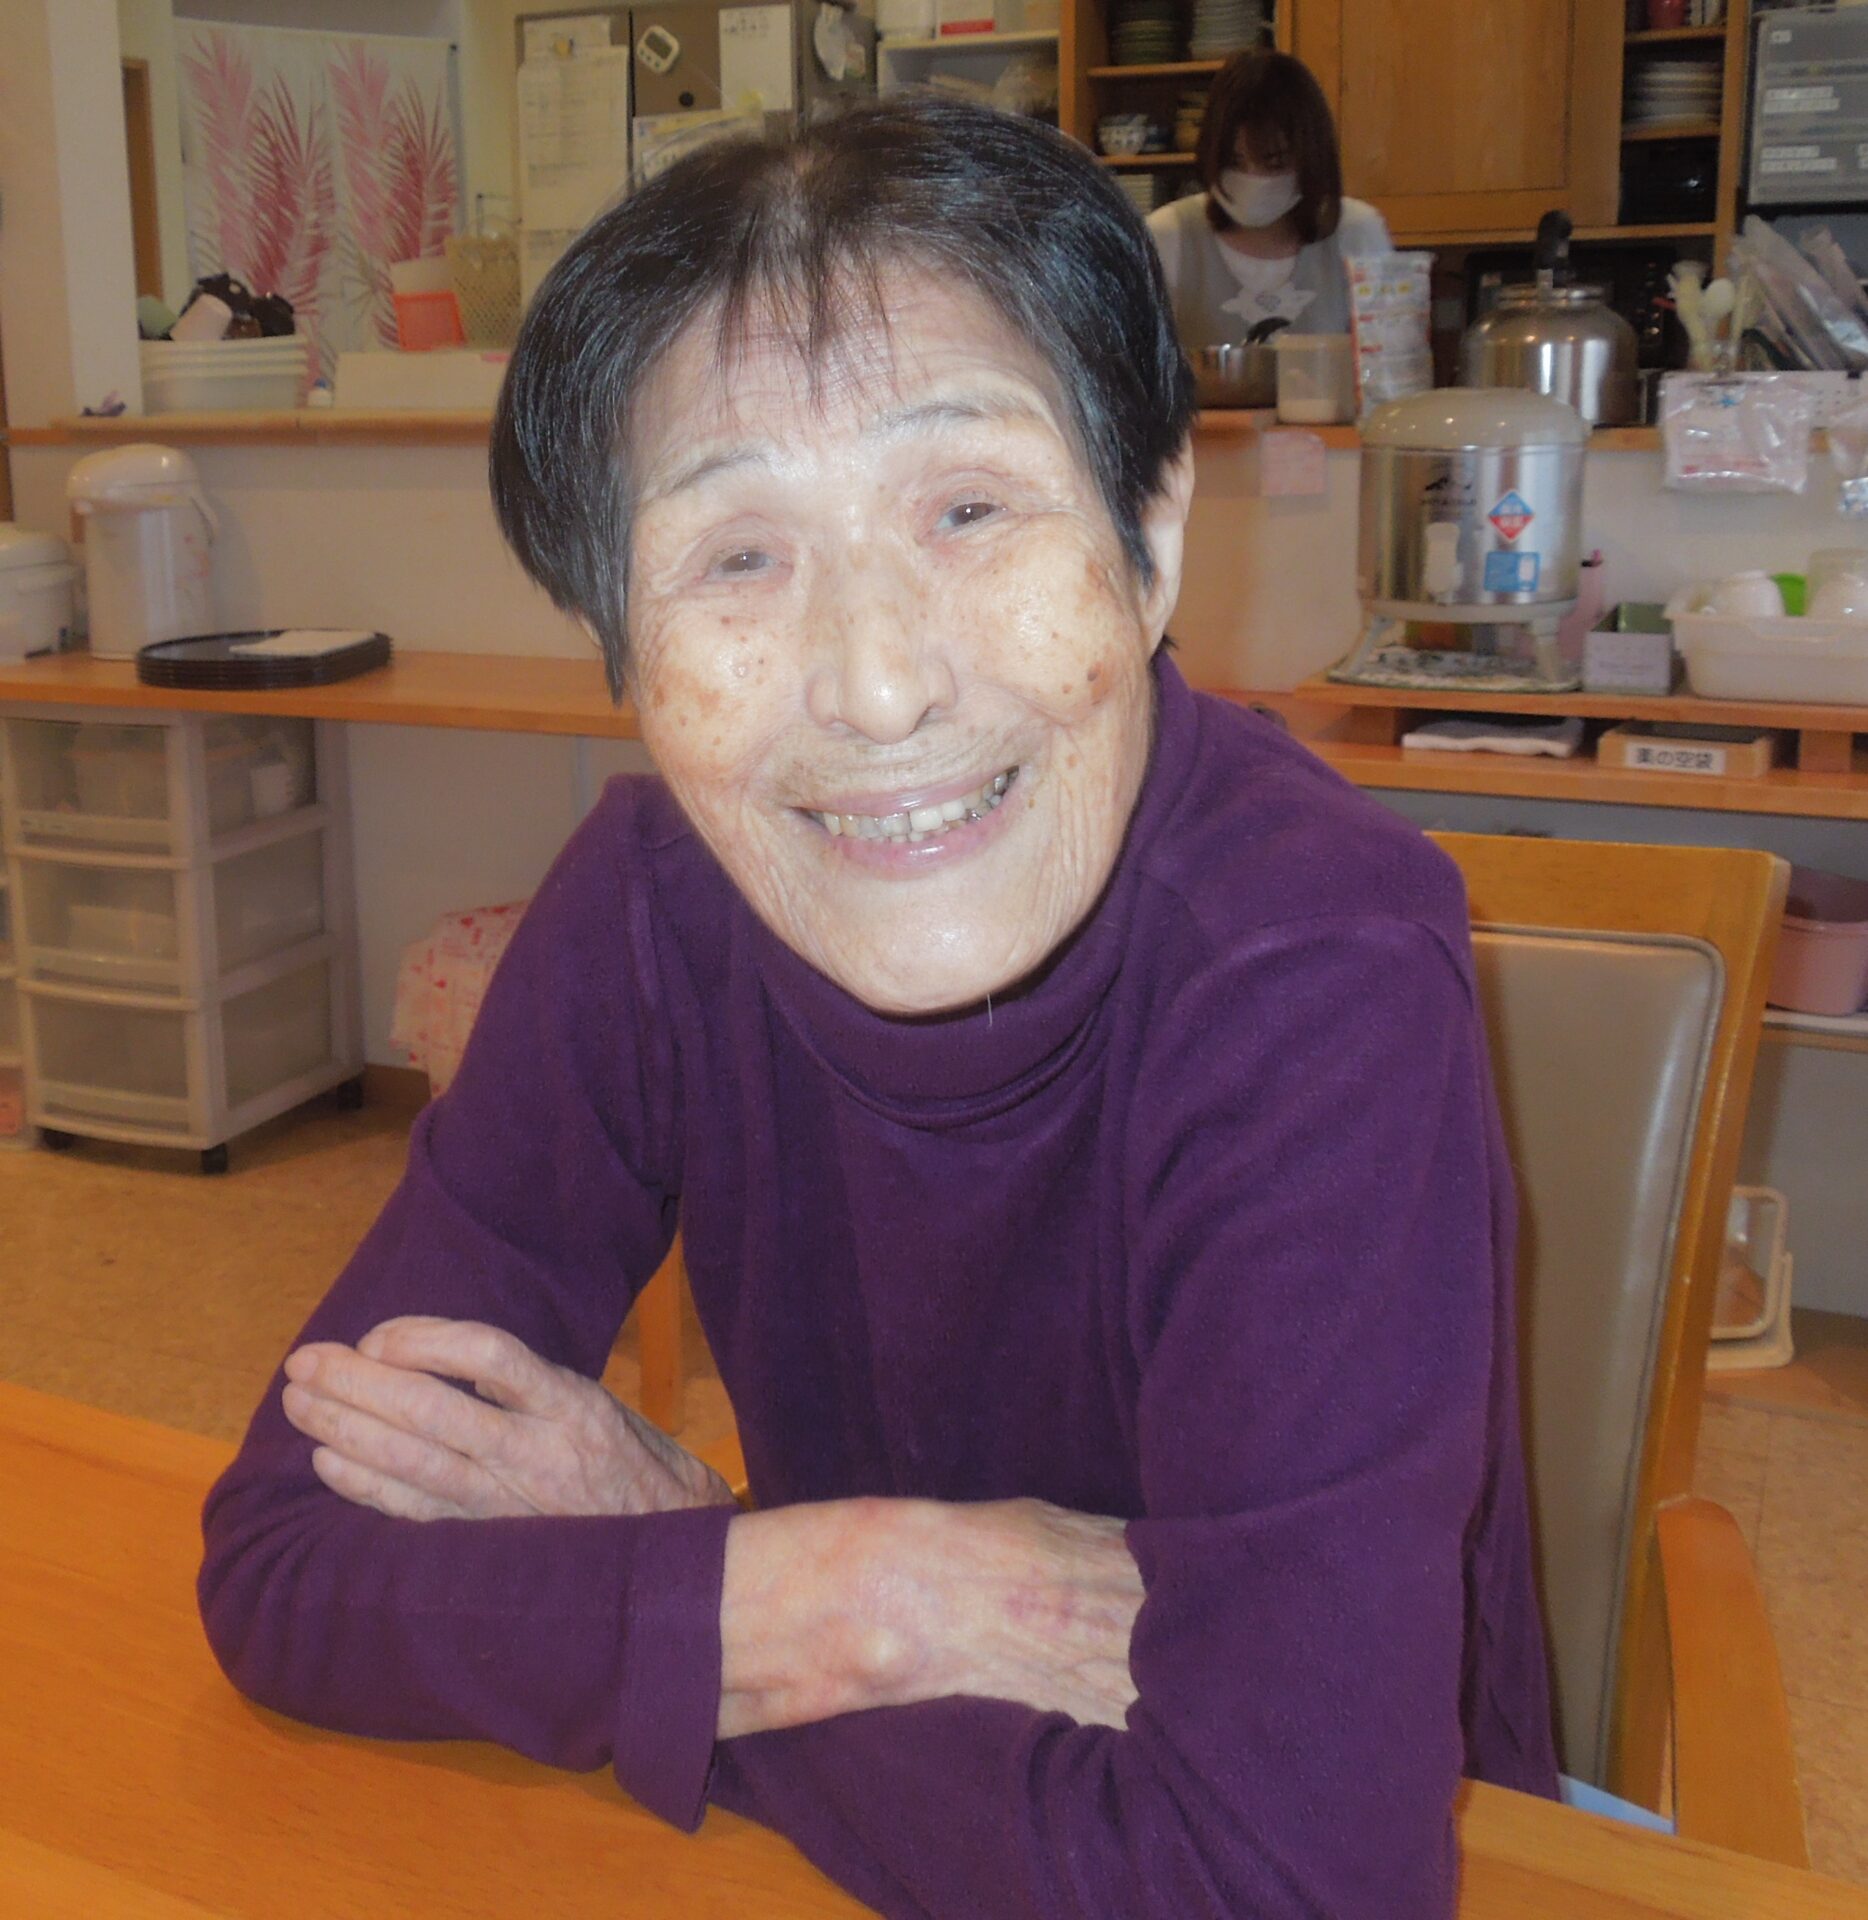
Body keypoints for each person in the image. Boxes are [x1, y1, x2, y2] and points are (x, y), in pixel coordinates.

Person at [197, 94, 1557, 1919]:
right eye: (736, 557)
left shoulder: (1309, 958)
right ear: (621, 646)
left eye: (968, 508)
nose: (876, 683)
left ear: (1149, 535)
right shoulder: (655, 905)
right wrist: (853, 1596)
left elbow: (1282, 1883)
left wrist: (692, 1597)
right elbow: (286, 1561)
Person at [1148, 47, 1391, 350]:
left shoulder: (1358, 233)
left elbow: (1385, 359)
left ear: (1310, 157)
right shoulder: (1168, 236)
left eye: (1275, 163)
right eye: (1234, 162)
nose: (1253, 178)